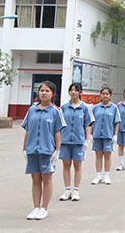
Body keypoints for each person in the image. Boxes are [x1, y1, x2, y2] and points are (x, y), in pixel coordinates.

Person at [22, 81, 66, 220]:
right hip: (32, 150)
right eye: (41, 90)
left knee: (47, 179)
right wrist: (24, 148)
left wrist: (57, 151)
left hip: (47, 151)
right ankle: (36, 207)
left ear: (53, 94)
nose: (44, 93)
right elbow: (27, 130)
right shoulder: (32, 110)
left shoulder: (56, 111)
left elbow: (57, 132)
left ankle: (44, 208)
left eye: (47, 91)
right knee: (35, 179)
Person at [58, 83, 93, 202]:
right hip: (65, 141)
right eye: (71, 90)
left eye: (76, 90)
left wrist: (87, 140)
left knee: (77, 166)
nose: (73, 92)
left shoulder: (85, 108)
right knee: (66, 165)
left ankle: (76, 190)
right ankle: (67, 190)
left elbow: (88, 125)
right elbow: (59, 125)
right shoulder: (64, 108)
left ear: (80, 92)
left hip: (79, 141)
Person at [91, 87, 121, 185]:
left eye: (107, 94)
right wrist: (90, 134)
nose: (105, 95)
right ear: (100, 95)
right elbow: (91, 122)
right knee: (98, 155)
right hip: (97, 135)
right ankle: (98, 175)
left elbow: (117, 122)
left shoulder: (114, 108)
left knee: (107, 156)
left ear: (110, 95)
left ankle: (106, 175)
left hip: (108, 135)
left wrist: (115, 135)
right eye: (103, 94)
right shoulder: (95, 108)